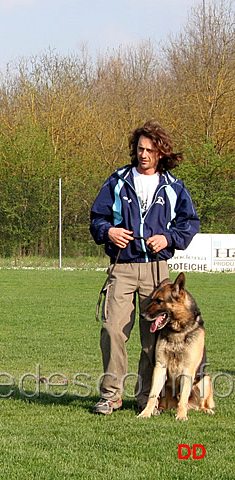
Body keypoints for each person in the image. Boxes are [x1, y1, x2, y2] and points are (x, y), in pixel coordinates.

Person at [89, 120, 200, 415]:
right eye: (140, 148)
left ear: (161, 153)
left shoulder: (174, 187)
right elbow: (97, 218)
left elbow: (190, 223)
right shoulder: (118, 180)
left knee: (153, 338)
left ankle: (147, 398)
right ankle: (111, 395)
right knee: (112, 330)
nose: (144, 154)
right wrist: (109, 232)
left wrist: (168, 238)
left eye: (150, 149)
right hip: (122, 266)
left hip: (155, 270)